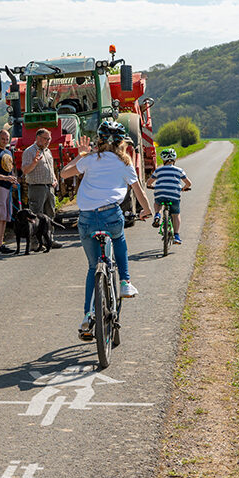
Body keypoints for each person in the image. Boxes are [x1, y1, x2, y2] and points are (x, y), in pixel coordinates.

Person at [60, 121, 153, 338]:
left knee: (94, 267)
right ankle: (125, 282)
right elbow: (138, 190)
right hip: (111, 215)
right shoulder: (125, 163)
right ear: (122, 143)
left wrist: (81, 154)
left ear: (99, 141)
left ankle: (87, 315)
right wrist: (146, 211)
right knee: (119, 239)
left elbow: (64, 174)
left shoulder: (90, 160)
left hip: (87, 219)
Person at [147, 148, 192, 245]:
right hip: (174, 195)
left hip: (160, 193)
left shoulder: (158, 170)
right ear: (174, 159)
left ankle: (157, 215)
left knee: (158, 203)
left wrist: (150, 186)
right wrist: (184, 188)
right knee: (175, 214)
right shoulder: (179, 170)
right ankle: (176, 236)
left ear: (163, 160)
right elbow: (188, 183)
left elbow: (149, 182)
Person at [21, 128, 60, 227]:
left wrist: (54, 179)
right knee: (36, 215)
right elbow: (25, 170)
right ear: (38, 138)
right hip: (37, 188)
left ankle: (49, 240)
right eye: (46, 139)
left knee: (50, 215)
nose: (48, 141)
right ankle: (36, 241)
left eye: (49, 139)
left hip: (49, 187)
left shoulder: (48, 151)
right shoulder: (29, 151)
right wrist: (34, 163)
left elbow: (50, 168)